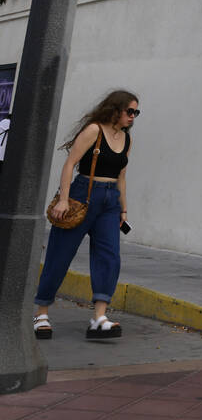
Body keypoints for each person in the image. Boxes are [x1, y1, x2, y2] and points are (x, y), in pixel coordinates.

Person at [33, 89, 139, 341]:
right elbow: (70, 163)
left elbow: (121, 177)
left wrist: (123, 208)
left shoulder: (126, 139)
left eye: (136, 112)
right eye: (130, 111)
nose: (133, 117)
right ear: (115, 110)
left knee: (109, 257)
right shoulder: (94, 130)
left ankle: (98, 318)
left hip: (110, 201)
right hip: (83, 195)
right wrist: (63, 199)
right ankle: (41, 313)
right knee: (60, 255)